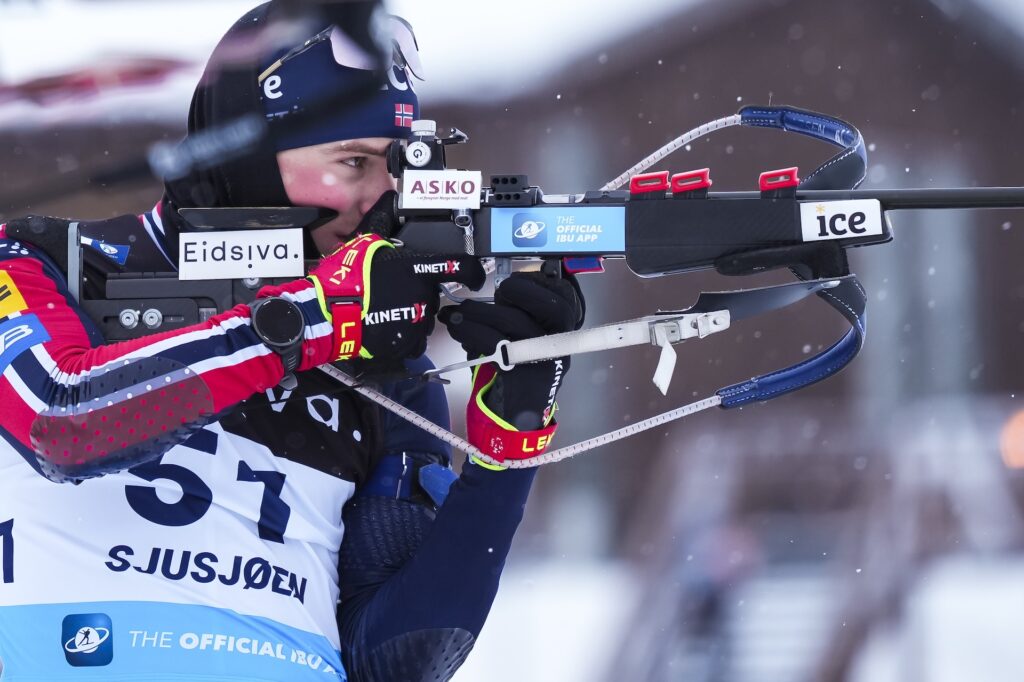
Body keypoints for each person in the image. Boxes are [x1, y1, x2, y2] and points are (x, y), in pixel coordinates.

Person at [0, 2, 583, 680]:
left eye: (396, 169)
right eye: (353, 162)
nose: (382, 199)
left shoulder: (391, 372)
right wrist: (309, 320)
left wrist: (507, 450)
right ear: (244, 155)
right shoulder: (45, 263)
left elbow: (393, 663)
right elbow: (61, 422)